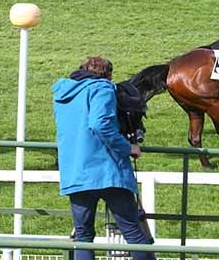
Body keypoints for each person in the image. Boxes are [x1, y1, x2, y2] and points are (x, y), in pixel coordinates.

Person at [52, 56, 155, 260]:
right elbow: (100, 125)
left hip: (75, 171)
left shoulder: (62, 93)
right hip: (108, 170)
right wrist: (128, 147)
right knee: (134, 233)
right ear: (108, 74)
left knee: (83, 235)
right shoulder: (103, 88)